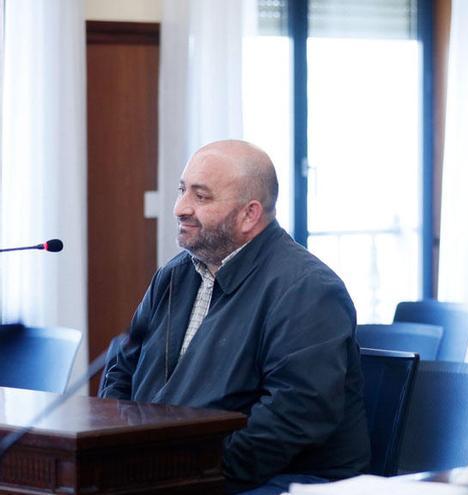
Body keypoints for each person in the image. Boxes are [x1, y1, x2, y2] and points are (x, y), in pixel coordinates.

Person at [100, 140, 370, 494]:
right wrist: (112, 453)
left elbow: (294, 418)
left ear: (249, 214)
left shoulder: (308, 289)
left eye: (202, 196)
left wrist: (193, 474)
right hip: (173, 472)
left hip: (276, 479)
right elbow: (121, 370)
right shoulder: (174, 276)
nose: (180, 208)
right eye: (182, 190)